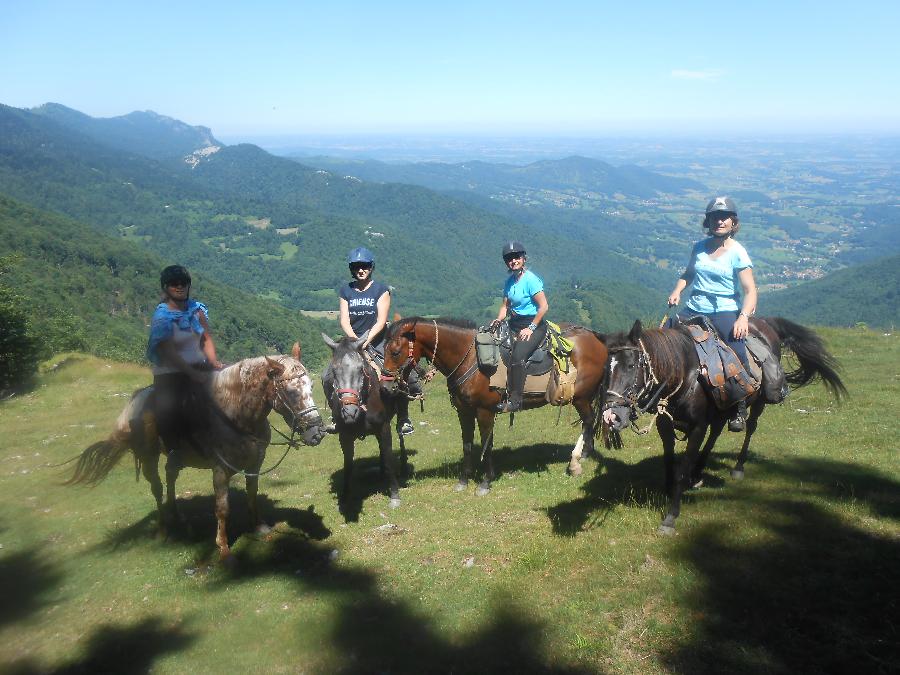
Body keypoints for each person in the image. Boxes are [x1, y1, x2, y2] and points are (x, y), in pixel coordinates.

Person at [667, 197, 757, 431]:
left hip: (724, 310)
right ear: (708, 222)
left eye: (724, 217)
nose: (719, 221)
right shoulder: (699, 247)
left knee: (736, 350)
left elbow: (750, 290)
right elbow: (688, 274)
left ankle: (739, 405)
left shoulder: (738, 252)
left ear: (733, 222)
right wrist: (677, 290)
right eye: (715, 217)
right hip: (694, 307)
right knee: (665, 342)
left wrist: (743, 317)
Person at [146, 265, 222, 468]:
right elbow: (168, 351)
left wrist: (213, 362)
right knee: (168, 407)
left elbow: (206, 338)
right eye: (174, 283)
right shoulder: (161, 317)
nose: (179, 286)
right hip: (170, 373)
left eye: (183, 283)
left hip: (199, 365)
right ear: (166, 287)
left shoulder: (197, 311)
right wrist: (192, 374)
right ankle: (173, 450)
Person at [337, 247, 417, 435]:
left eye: (364, 266)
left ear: (371, 267)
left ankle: (403, 418)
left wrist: (366, 341)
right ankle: (335, 417)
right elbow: (344, 320)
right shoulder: (345, 291)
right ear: (352, 269)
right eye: (357, 266)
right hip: (352, 340)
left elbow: (381, 320)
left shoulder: (381, 290)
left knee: (399, 373)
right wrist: (355, 341)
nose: (360, 270)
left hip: (378, 340)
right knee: (330, 374)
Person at [490, 240, 549, 413]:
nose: (513, 261)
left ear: (523, 258)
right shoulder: (509, 281)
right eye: (510, 259)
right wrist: (499, 319)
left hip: (534, 325)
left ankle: (515, 400)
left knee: (517, 356)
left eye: (516, 257)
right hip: (514, 323)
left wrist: (531, 328)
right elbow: (504, 307)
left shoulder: (531, 280)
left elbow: (544, 307)